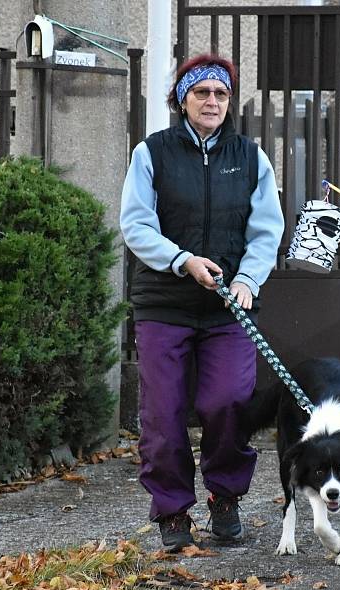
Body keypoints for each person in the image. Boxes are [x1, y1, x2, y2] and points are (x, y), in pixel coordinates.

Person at [120, 54, 284, 550]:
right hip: (164, 304)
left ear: (229, 101)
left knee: (229, 403)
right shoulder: (152, 154)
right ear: (182, 99)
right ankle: (172, 511)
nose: (212, 101)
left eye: (221, 93)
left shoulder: (251, 157)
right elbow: (136, 224)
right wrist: (183, 260)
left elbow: (266, 230)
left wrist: (248, 281)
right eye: (201, 92)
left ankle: (225, 498)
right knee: (163, 414)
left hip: (228, 309)